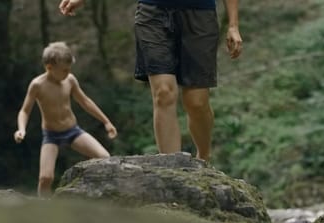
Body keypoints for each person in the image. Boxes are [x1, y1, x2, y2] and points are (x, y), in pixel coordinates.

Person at [59, 0, 242, 162]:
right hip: (152, 13)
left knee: (196, 102)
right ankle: (172, 170)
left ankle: (203, 156)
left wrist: (233, 24)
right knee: (163, 93)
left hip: (199, 14)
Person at [14, 41, 118, 197]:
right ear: (49, 67)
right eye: (64, 70)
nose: (68, 72)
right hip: (51, 136)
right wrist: (21, 129)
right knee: (45, 177)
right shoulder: (37, 85)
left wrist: (106, 121)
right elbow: (24, 111)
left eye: (70, 69)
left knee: (104, 158)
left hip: (73, 131)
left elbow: (85, 101)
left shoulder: (69, 80)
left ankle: (100, 195)